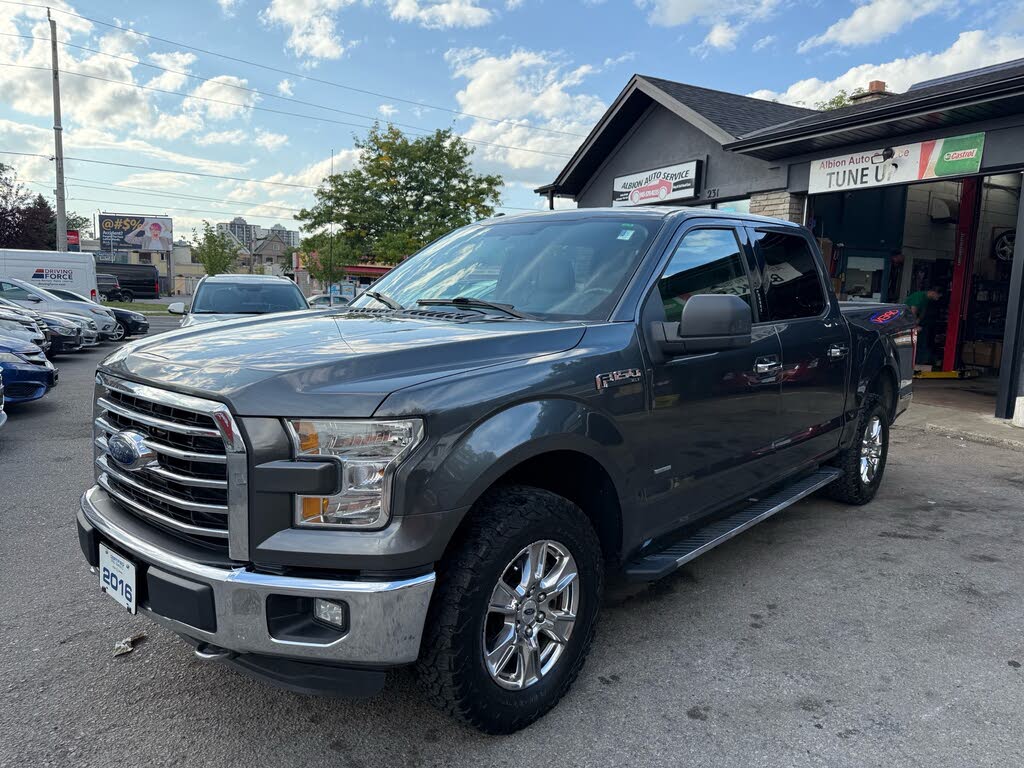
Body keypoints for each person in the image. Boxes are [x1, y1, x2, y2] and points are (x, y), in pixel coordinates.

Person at [905, 286, 943, 365]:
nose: (938, 298)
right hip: (906, 321)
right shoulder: (918, 297)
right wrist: (915, 326)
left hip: (913, 321)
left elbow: (922, 313)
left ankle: (921, 361)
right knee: (917, 340)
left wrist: (919, 320)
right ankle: (917, 361)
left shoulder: (926, 300)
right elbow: (912, 312)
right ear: (933, 292)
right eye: (938, 295)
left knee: (923, 337)